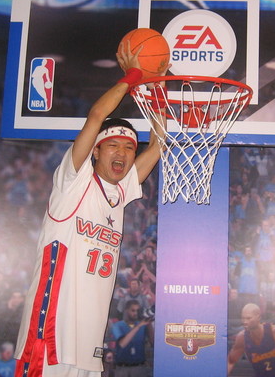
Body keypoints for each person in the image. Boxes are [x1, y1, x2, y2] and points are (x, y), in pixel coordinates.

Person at [14, 43, 165, 377]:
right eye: (113, 145)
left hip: (89, 345)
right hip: (51, 334)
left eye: (129, 148)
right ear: (96, 151)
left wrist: (157, 89)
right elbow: (96, 117)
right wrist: (135, 75)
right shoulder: (73, 181)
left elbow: (158, 144)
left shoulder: (120, 192)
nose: (122, 153)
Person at [111, 300, 154, 377]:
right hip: (122, 368)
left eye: (138, 311)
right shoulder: (117, 325)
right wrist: (138, 326)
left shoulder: (143, 325)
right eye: (133, 310)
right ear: (126, 311)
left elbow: (153, 342)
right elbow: (122, 343)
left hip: (139, 367)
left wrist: (149, 323)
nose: (136, 313)